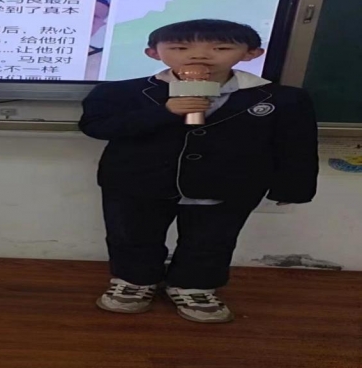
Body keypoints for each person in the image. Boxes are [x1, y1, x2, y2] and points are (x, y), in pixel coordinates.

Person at [78, 19, 318, 323]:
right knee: (132, 235)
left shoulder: (282, 98)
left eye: (221, 48)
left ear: (251, 53)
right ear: (153, 53)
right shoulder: (120, 92)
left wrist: (293, 186)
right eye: (180, 48)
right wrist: (164, 112)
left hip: (228, 184)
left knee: (212, 239)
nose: (199, 55)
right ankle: (134, 281)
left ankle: (194, 285)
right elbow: (96, 127)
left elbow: (295, 144)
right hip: (137, 182)